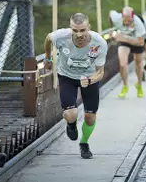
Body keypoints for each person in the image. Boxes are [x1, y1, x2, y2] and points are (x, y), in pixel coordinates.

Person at [44, 13, 108, 159]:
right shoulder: (60, 36)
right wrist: (48, 57)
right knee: (71, 114)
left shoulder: (99, 43)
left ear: (89, 28)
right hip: (67, 76)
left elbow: (100, 72)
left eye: (82, 30)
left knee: (90, 117)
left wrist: (91, 80)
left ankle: (84, 143)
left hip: (88, 78)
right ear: (70, 28)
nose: (79, 34)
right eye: (75, 30)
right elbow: (48, 38)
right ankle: (71, 124)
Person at [109, 7, 146, 98]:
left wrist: (124, 38)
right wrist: (112, 29)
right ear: (121, 16)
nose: (126, 22)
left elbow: (141, 42)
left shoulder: (138, 23)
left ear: (133, 16)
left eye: (129, 20)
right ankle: (125, 85)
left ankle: (139, 85)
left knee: (138, 63)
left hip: (137, 41)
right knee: (122, 63)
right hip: (124, 41)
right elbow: (111, 12)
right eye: (124, 19)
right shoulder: (116, 18)